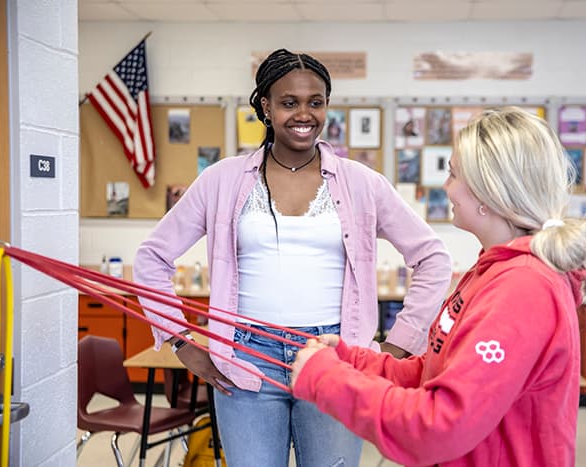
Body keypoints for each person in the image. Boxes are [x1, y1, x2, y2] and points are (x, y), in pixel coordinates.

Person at [134, 48, 451, 467]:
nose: (304, 114)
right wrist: (181, 341)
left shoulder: (362, 184)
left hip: (335, 358)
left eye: (315, 102)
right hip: (245, 359)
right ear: (265, 107)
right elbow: (152, 257)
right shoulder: (222, 180)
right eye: (289, 103)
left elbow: (433, 257)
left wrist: (395, 347)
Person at [291, 107, 586, 467]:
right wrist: (353, 361)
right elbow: (435, 370)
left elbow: (438, 426)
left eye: (452, 174)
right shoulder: (492, 270)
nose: (445, 187)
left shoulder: (524, 287)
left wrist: (327, 380)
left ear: (488, 192)